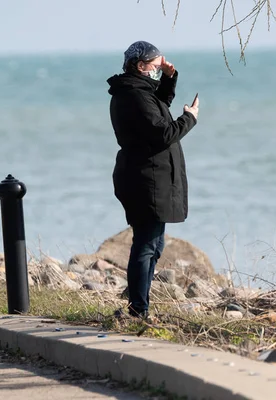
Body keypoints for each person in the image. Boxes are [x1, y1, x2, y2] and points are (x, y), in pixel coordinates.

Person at [107, 41, 199, 318]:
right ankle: (138, 309)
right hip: (144, 179)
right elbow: (163, 134)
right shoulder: (134, 95)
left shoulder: (136, 91)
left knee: (153, 244)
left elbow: (159, 106)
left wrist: (169, 78)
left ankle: (139, 305)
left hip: (147, 177)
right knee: (147, 244)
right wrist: (189, 118)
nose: (159, 71)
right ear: (140, 66)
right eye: (156, 67)